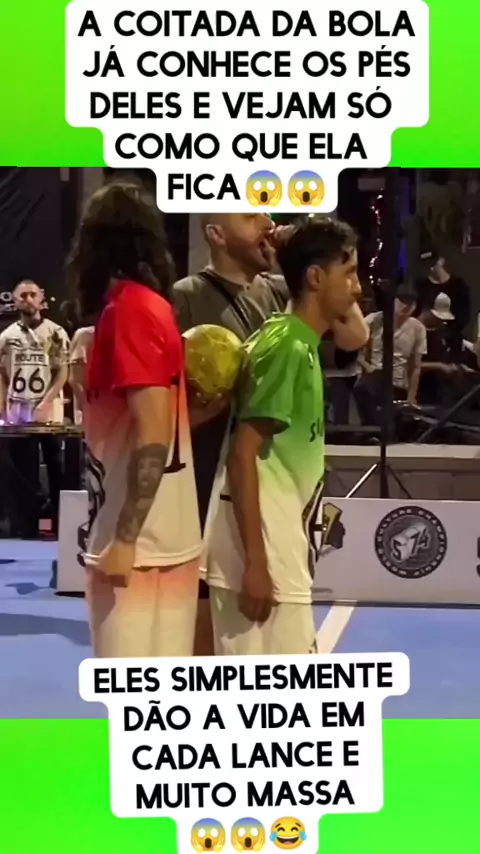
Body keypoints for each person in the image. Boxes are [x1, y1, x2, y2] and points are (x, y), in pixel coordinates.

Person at [205, 217, 369, 655]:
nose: (357, 289)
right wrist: (256, 565)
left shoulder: (291, 338)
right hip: (263, 552)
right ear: (315, 278)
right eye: (349, 273)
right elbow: (243, 455)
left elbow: (358, 333)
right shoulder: (287, 347)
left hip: (276, 545)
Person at [67, 181, 202, 657]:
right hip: (167, 538)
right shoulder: (155, 308)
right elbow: (163, 420)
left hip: (140, 547)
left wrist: (125, 539)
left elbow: (153, 433)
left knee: (127, 692)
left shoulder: (128, 312)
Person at [172, 213, 289, 655]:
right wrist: (205, 409)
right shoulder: (186, 296)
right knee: (206, 622)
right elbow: (165, 401)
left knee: (268, 631)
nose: (268, 222)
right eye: (250, 215)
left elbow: (353, 333)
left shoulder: (280, 291)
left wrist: (296, 251)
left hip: (274, 481)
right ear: (216, 234)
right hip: (207, 483)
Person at [0, 279, 69, 537]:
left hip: (49, 413)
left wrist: (47, 401)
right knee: (24, 472)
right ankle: (26, 529)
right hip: (19, 412)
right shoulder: (7, 337)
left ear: (41, 298)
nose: (28, 299)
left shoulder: (56, 333)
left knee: (57, 469)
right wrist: (3, 404)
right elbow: (2, 374)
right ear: (15, 301)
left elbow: (63, 371)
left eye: (32, 294)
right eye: (23, 295)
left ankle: (64, 526)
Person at [354, 289, 427, 425]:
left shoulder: (418, 328)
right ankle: (372, 427)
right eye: (402, 301)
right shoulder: (374, 320)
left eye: (411, 303)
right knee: (363, 389)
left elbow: (416, 366)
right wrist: (367, 366)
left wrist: (411, 397)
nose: (406, 306)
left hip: (398, 382)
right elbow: (353, 347)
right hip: (374, 376)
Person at [415, 252, 470, 336]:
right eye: (427, 265)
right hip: (425, 335)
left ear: (441, 260)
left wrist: (444, 326)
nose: (431, 268)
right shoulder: (420, 285)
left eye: (433, 264)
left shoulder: (458, 285)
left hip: (451, 337)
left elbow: (464, 317)